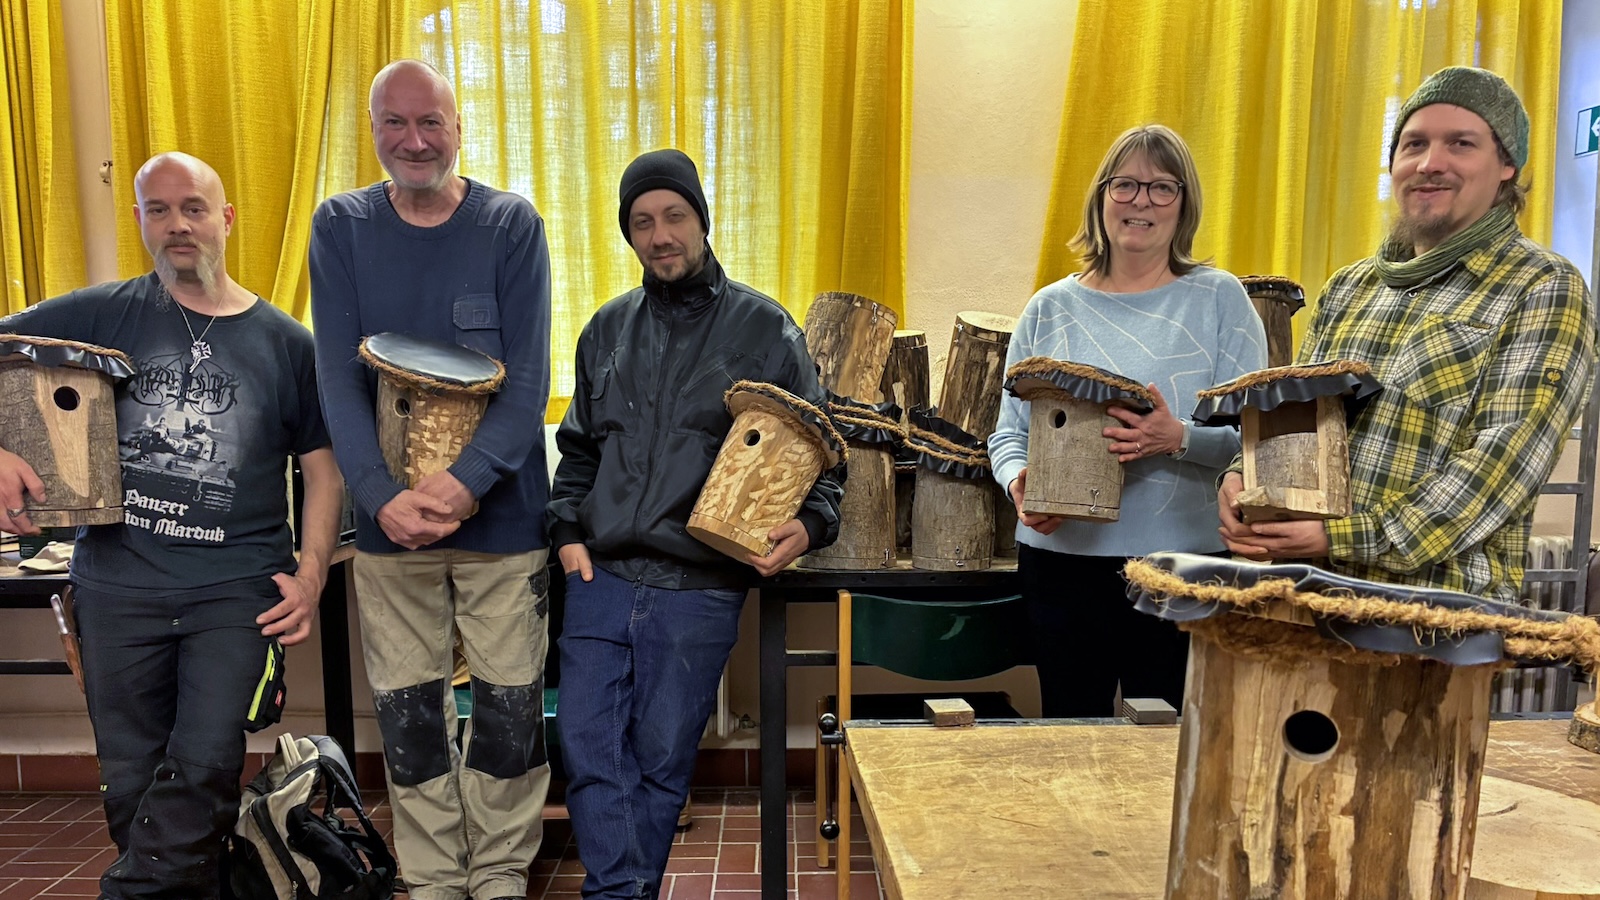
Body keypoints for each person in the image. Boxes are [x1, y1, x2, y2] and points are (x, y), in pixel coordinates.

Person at [0, 151, 341, 899]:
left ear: (226, 218)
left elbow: (323, 469)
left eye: (193, 207)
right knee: (129, 779)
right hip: (116, 587)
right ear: (140, 221)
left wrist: (312, 574)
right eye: (159, 209)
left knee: (205, 763)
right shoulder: (101, 314)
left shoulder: (288, 344)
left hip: (237, 589)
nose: (178, 224)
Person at [547, 148, 843, 899]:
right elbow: (577, 449)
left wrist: (809, 526)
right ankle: (620, 893)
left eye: (674, 215)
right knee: (586, 748)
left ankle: (617, 892)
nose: (660, 234)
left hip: (699, 584)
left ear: (702, 222)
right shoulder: (606, 330)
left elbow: (820, 456)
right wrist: (568, 535)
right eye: (642, 222)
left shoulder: (764, 329)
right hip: (601, 575)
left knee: (660, 759)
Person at [309, 59, 553, 900]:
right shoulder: (339, 227)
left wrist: (470, 481)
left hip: (504, 519)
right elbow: (336, 381)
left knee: (510, 708)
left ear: (459, 129)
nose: (414, 141)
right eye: (395, 124)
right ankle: (434, 877)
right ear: (374, 131)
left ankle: (500, 872)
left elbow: (528, 382)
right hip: (389, 528)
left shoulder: (510, 225)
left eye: (431, 123)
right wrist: (378, 495)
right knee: (411, 713)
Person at [1219, 66, 1596, 603]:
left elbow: (1501, 468)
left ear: (1507, 165)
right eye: (1413, 143)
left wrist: (1341, 536)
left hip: (1436, 622)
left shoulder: (1543, 286)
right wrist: (1240, 480)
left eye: (1460, 144)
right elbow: (1295, 416)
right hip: (1307, 594)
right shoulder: (1351, 287)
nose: (1429, 163)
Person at [989, 125, 1267, 717]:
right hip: (1060, 561)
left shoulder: (1221, 302)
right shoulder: (1049, 307)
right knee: (1070, 732)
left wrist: (1178, 439)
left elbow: (1258, 443)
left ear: (1184, 206)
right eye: (1126, 185)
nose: (1141, 201)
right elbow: (1008, 432)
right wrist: (1018, 483)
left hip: (1183, 566)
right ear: (1101, 198)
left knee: (1171, 749)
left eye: (1162, 188)